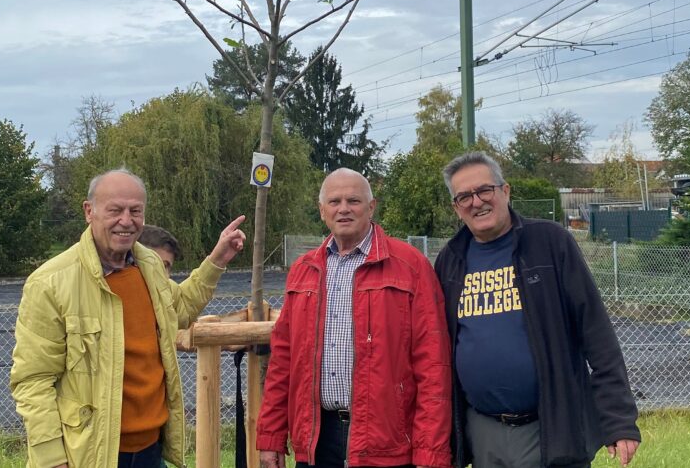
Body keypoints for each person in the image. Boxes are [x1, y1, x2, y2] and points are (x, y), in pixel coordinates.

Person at [10, 168, 246, 468]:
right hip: (89, 455)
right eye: (115, 210)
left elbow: (180, 310)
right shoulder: (50, 283)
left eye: (135, 211)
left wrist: (218, 259)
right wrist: (52, 458)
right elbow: (33, 381)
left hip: (150, 450)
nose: (126, 220)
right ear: (88, 211)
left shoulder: (148, 264)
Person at [434, 152, 641, 468]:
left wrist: (619, 419)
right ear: (456, 207)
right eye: (464, 196)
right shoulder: (451, 260)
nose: (476, 202)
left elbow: (596, 332)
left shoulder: (549, 242)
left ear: (505, 191)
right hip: (484, 431)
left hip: (550, 426)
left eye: (484, 190)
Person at [256, 168, 452, 468]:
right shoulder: (302, 271)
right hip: (318, 437)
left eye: (353, 200)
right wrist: (271, 437)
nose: (343, 209)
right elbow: (284, 360)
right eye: (334, 202)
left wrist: (430, 452)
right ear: (323, 211)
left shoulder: (409, 266)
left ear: (371, 207)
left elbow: (433, 364)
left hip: (387, 441)